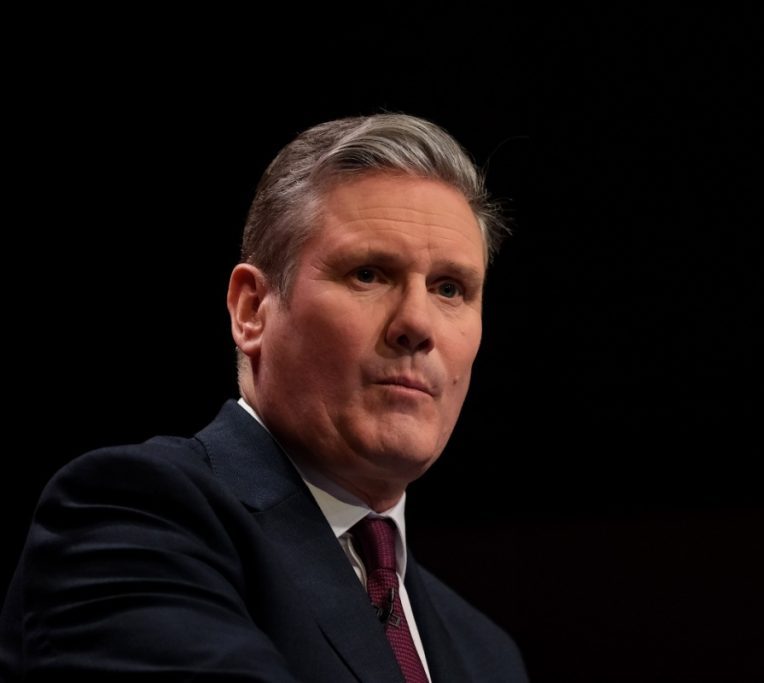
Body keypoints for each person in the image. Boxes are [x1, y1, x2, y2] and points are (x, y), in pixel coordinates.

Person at [0, 113, 530, 682]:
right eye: (369, 274)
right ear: (252, 309)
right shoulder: (131, 518)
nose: (417, 325)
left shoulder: (487, 656)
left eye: (450, 288)